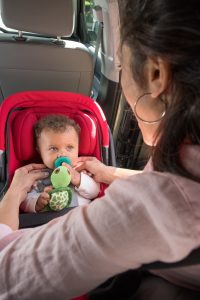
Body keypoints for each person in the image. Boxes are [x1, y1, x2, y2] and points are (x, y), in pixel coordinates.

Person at [1, 0, 200, 299]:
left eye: (120, 66)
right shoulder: (182, 159)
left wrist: (13, 192)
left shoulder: (155, 204)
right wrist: (109, 172)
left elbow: (9, 276)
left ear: (157, 74)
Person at [20, 114, 100, 213]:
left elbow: (95, 192)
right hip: (48, 222)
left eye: (69, 147)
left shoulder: (81, 170)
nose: (62, 154)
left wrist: (79, 179)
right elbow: (23, 200)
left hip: (79, 218)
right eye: (53, 148)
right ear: (40, 152)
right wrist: (37, 202)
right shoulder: (38, 175)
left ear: (78, 149)